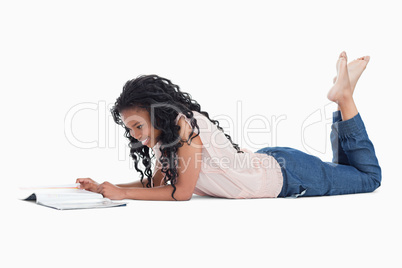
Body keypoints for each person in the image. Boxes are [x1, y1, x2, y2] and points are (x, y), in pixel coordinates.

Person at [76, 51, 381, 201]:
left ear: (157, 117)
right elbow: (158, 185)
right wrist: (105, 188)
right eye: (129, 129)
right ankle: (342, 101)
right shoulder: (167, 140)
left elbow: (180, 193)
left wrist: (124, 194)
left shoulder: (185, 131)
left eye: (137, 126)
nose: (134, 135)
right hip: (270, 165)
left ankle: (344, 100)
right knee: (346, 172)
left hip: (288, 175)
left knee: (368, 179)